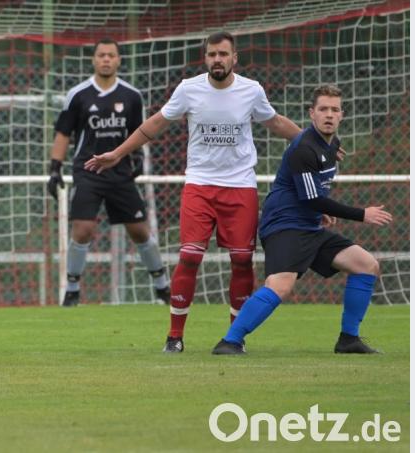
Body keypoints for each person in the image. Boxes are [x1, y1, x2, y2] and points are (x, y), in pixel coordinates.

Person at [85, 31, 302, 353]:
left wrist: (314, 144)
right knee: (189, 257)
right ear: (206, 58)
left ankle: (234, 337)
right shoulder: (189, 89)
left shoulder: (251, 91)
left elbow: (275, 123)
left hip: (240, 186)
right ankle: (174, 338)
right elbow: (156, 123)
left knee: (242, 261)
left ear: (234, 58)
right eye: (212, 54)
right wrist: (118, 153)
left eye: (223, 54)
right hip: (200, 185)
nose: (217, 59)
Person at [211, 85, 392, 354]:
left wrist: (321, 211)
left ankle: (348, 340)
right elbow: (311, 199)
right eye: (323, 109)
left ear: (342, 115)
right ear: (312, 114)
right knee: (281, 285)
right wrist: (361, 214)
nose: (329, 115)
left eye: (334, 109)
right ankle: (230, 341)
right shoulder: (304, 148)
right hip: (284, 225)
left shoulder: (333, 145)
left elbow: (312, 193)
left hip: (308, 225)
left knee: (366, 265)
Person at [47, 38, 169, 307]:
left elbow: (140, 133)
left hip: (120, 172)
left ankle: (162, 285)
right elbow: (63, 133)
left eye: (111, 55)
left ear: (118, 60)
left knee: (138, 230)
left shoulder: (131, 96)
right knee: (83, 228)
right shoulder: (78, 95)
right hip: (87, 171)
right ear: (93, 59)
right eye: (101, 55)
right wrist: (54, 168)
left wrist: (137, 157)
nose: (105, 59)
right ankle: (73, 290)